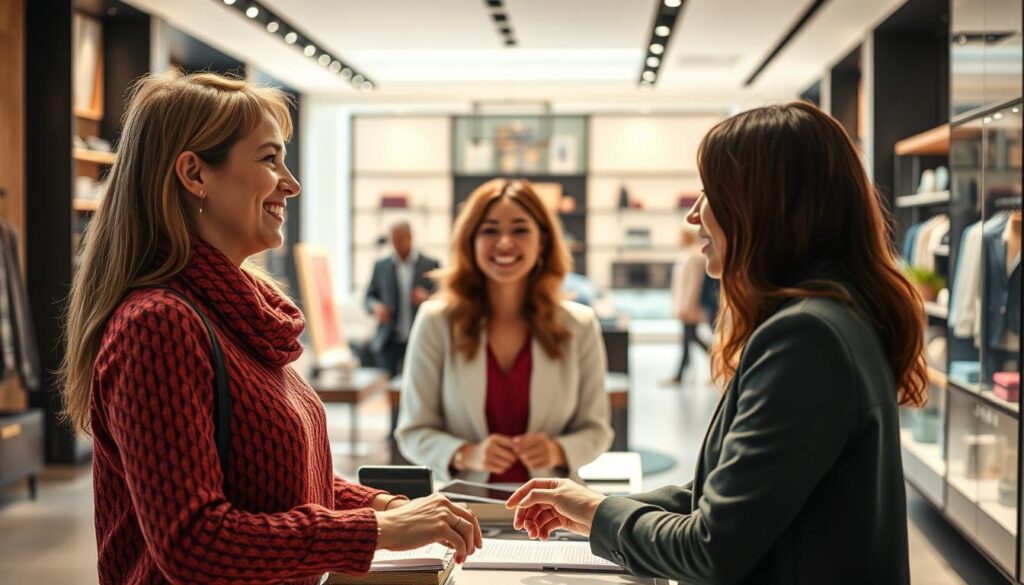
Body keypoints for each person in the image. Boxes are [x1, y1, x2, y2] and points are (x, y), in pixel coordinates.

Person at [58, 72, 481, 585]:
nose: (292, 183)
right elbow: (194, 541)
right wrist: (376, 529)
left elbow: (280, 482)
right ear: (195, 174)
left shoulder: (237, 317)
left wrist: (386, 504)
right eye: (268, 158)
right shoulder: (158, 326)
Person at [506, 102, 927, 584]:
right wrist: (592, 509)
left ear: (762, 205)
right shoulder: (835, 319)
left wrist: (601, 515)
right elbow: (727, 494)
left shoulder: (806, 338)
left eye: (708, 192)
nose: (692, 215)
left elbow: (712, 549)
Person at [395, 179, 614, 484]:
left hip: (557, 511)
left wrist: (557, 451)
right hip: (464, 510)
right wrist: (466, 454)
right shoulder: (436, 322)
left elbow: (597, 430)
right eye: (490, 230)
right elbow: (412, 431)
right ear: (470, 242)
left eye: (520, 230)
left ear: (542, 242)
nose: (505, 243)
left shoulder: (578, 325)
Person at [365, 221, 440, 376]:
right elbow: (368, 297)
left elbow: (444, 297)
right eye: (393, 240)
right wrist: (376, 307)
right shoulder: (381, 266)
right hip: (389, 340)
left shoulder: (431, 264)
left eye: (400, 239)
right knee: (387, 390)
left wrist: (428, 298)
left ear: (410, 238)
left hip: (420, 337)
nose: (396, 244)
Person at [664, 225, 710, 384]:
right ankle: (679, 375)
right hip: (684, 305)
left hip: (689, 307)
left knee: (693, 338)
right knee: (687, 339)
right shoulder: (686, 255)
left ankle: (718, 362)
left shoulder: (694, 257)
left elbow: (693, 284)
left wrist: (688, 306)